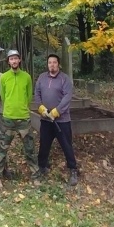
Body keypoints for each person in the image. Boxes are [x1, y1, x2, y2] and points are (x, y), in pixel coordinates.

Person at [0, 50, 39, 188]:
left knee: (30, 149)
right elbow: (3, 95)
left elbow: (29, 96)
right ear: (8, 61)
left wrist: (22, 108)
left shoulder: (26, 77)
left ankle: (35, 176)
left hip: (24, 119)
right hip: (8, 119)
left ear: (19, 60)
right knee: (2, 149)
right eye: (11, 59)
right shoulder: (4, 77)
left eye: (16, 59)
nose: (14, 61)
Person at [35, 54, 79, 187]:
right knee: (44, 145)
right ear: (47, 64)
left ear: (58, 64)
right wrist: (42, 109)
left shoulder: (64, 79)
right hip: (46, 120)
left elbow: (67, 97)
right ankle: (42, 167)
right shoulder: (42, 78)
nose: (52, 65)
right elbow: (37, 93)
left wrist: (57, 111)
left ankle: (73, 170)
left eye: (54, 63)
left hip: (62, 121)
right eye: (50, 63)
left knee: (67, 146)